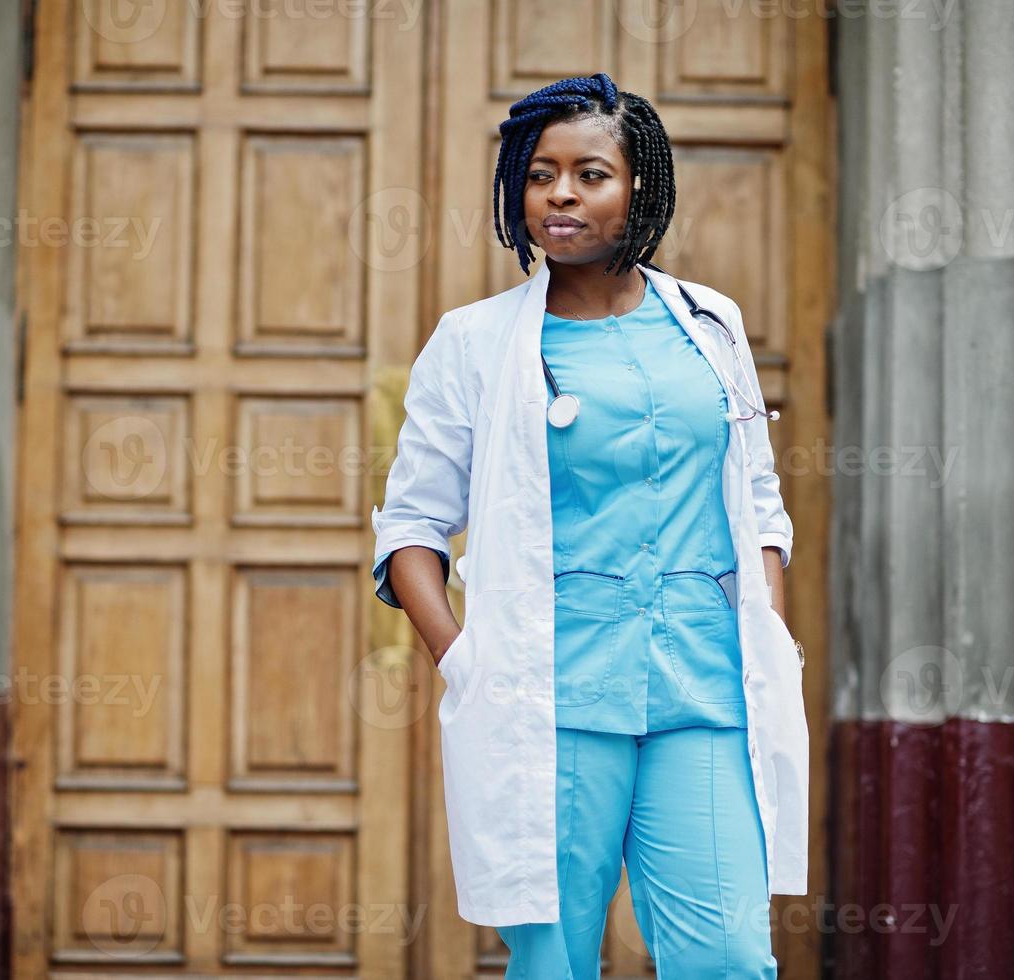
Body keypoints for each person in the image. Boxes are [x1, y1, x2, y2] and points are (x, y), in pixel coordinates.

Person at [371, 72, 806, 978]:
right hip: (549, 694)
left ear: (636, 184)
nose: (559, 194)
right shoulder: (474, 343)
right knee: (555, 964)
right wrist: (465, 662)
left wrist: (763, 620)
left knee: (727, 958)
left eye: (588, 173)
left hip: (704, 686)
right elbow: (411, 525)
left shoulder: (709, 325)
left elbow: (758, 500)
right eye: (538, 175)